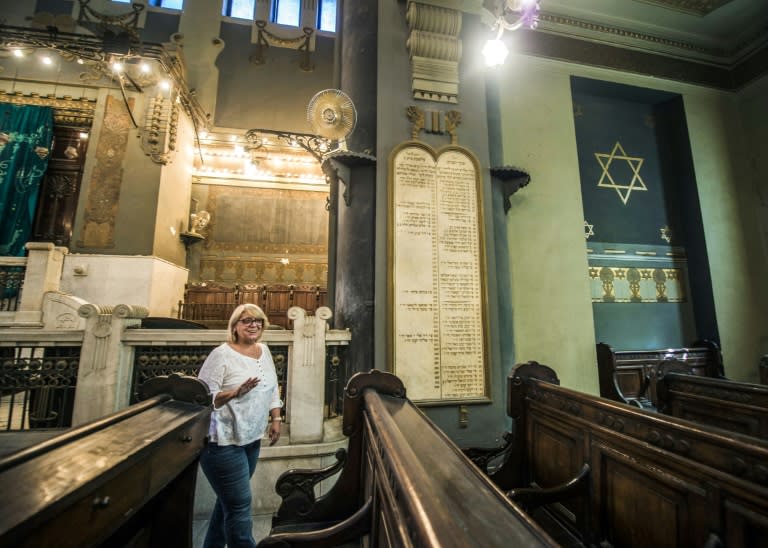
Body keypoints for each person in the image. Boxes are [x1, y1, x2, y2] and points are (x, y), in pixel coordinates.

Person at [197, 303, 283, 548]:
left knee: (228, 504)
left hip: (251, 439)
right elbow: (204, 398)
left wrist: (275, 417)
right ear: (234, 326)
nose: (253, 324)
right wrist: (235, 392)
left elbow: (272, 386)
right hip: (222, 441)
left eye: (258, 320)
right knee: (240, 506)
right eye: (246, 320)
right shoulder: (221, 354)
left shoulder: (263, 350)